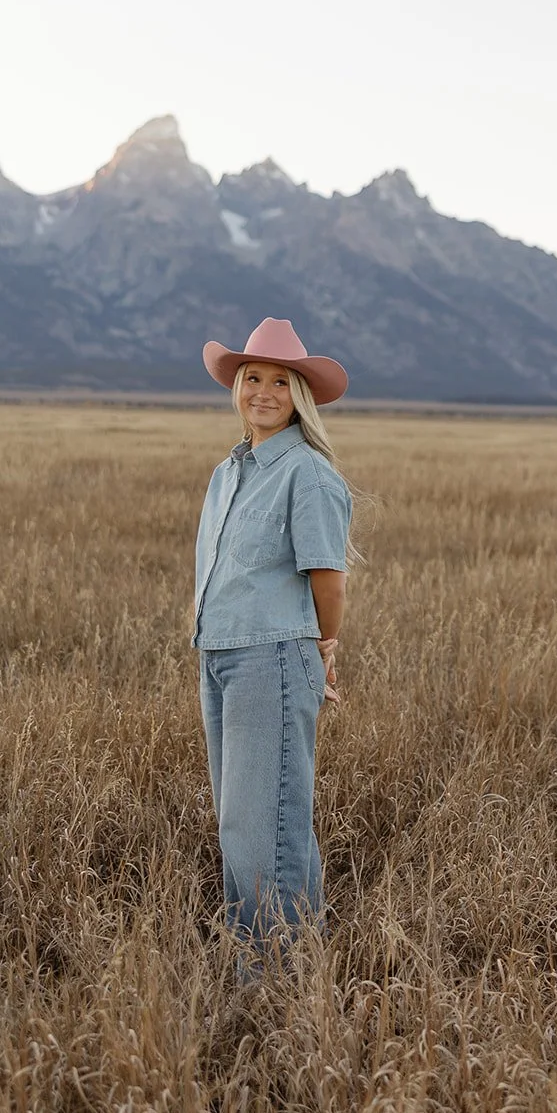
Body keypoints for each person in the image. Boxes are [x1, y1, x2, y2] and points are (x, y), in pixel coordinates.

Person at [194, 316, 354, 961]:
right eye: (251, 377)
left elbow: (328, 578)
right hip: (222, 654)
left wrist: (323, 647)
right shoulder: (228, 473)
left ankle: (275, 981)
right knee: (241, 823)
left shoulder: (307, 474)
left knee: (268, 828)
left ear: (300, 397)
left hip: (275, 655)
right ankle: (263, 959)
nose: (261, 391)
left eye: (279, 382)